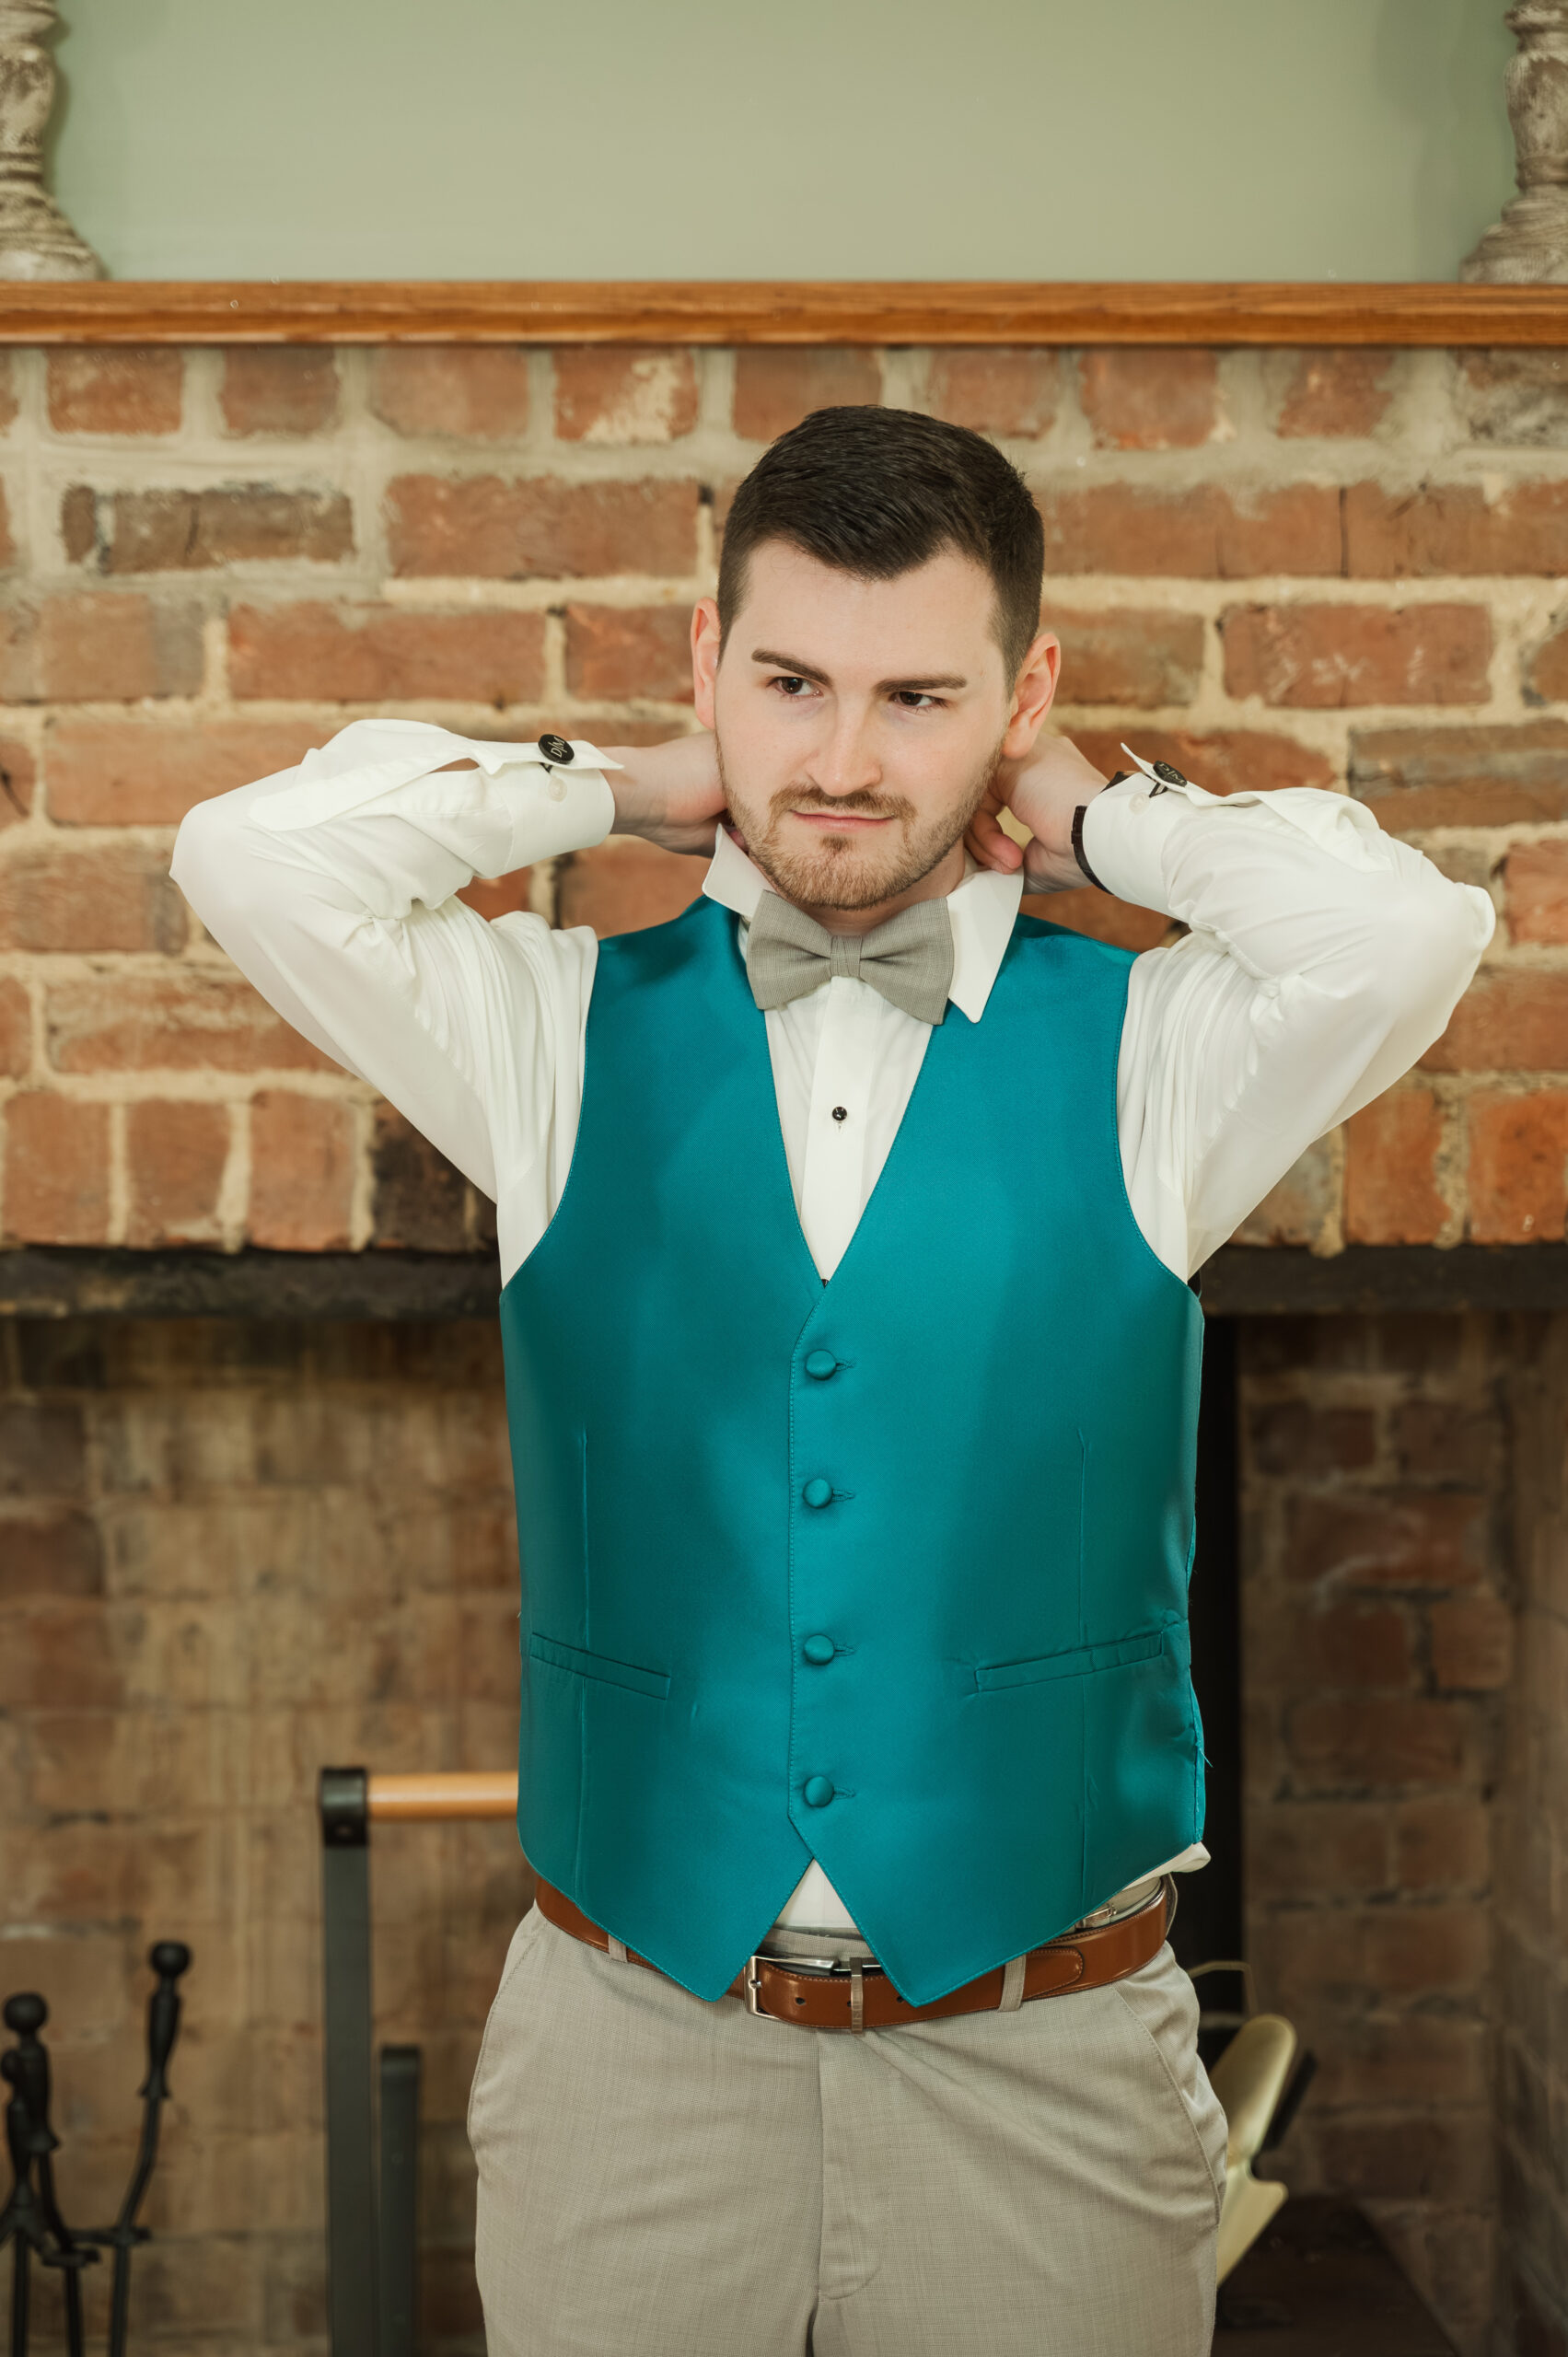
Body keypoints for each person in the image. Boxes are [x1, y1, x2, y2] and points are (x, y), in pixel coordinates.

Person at [171, 403, 1492, 2356]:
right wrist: (622, 782)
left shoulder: (1159, 1056)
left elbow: (1409, 924)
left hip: (1045, 2055)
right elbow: (248, 857)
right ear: (707, 663)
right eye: (789, 682)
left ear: (1020, 695)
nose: (850, 760)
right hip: (634, 2052)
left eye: (920, 695)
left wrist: (1104, 816)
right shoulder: (538, 1041)